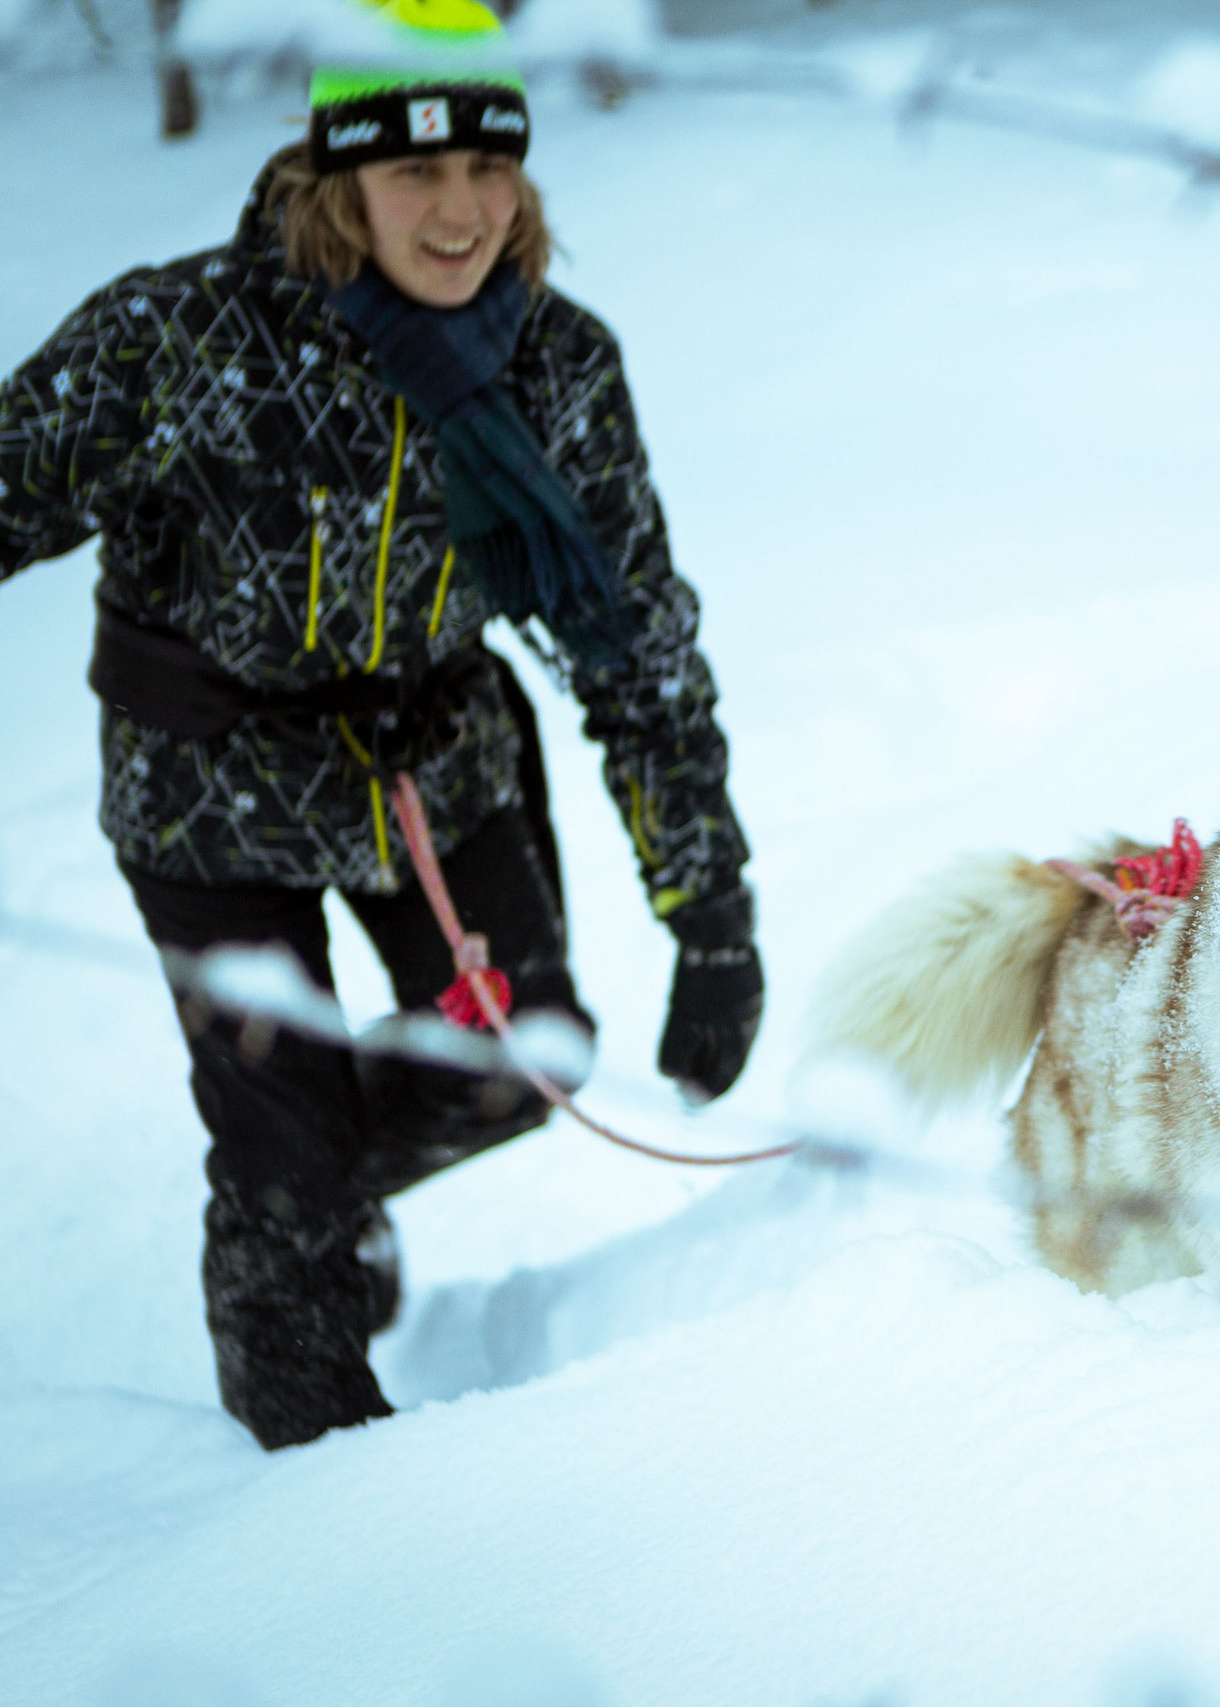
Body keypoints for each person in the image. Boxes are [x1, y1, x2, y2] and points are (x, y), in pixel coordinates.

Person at [0, 0, 764, 1449]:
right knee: (283, 1180)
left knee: (522, 1058)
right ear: (337, 171)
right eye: (418, 171)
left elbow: (636, 642)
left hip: (434, 768)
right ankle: (317, 1468)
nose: (462, 210)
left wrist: (710, 909)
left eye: (491, 166)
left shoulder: (555, 367)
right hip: (204, 793)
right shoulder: (181, 339)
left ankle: (304, 1197)